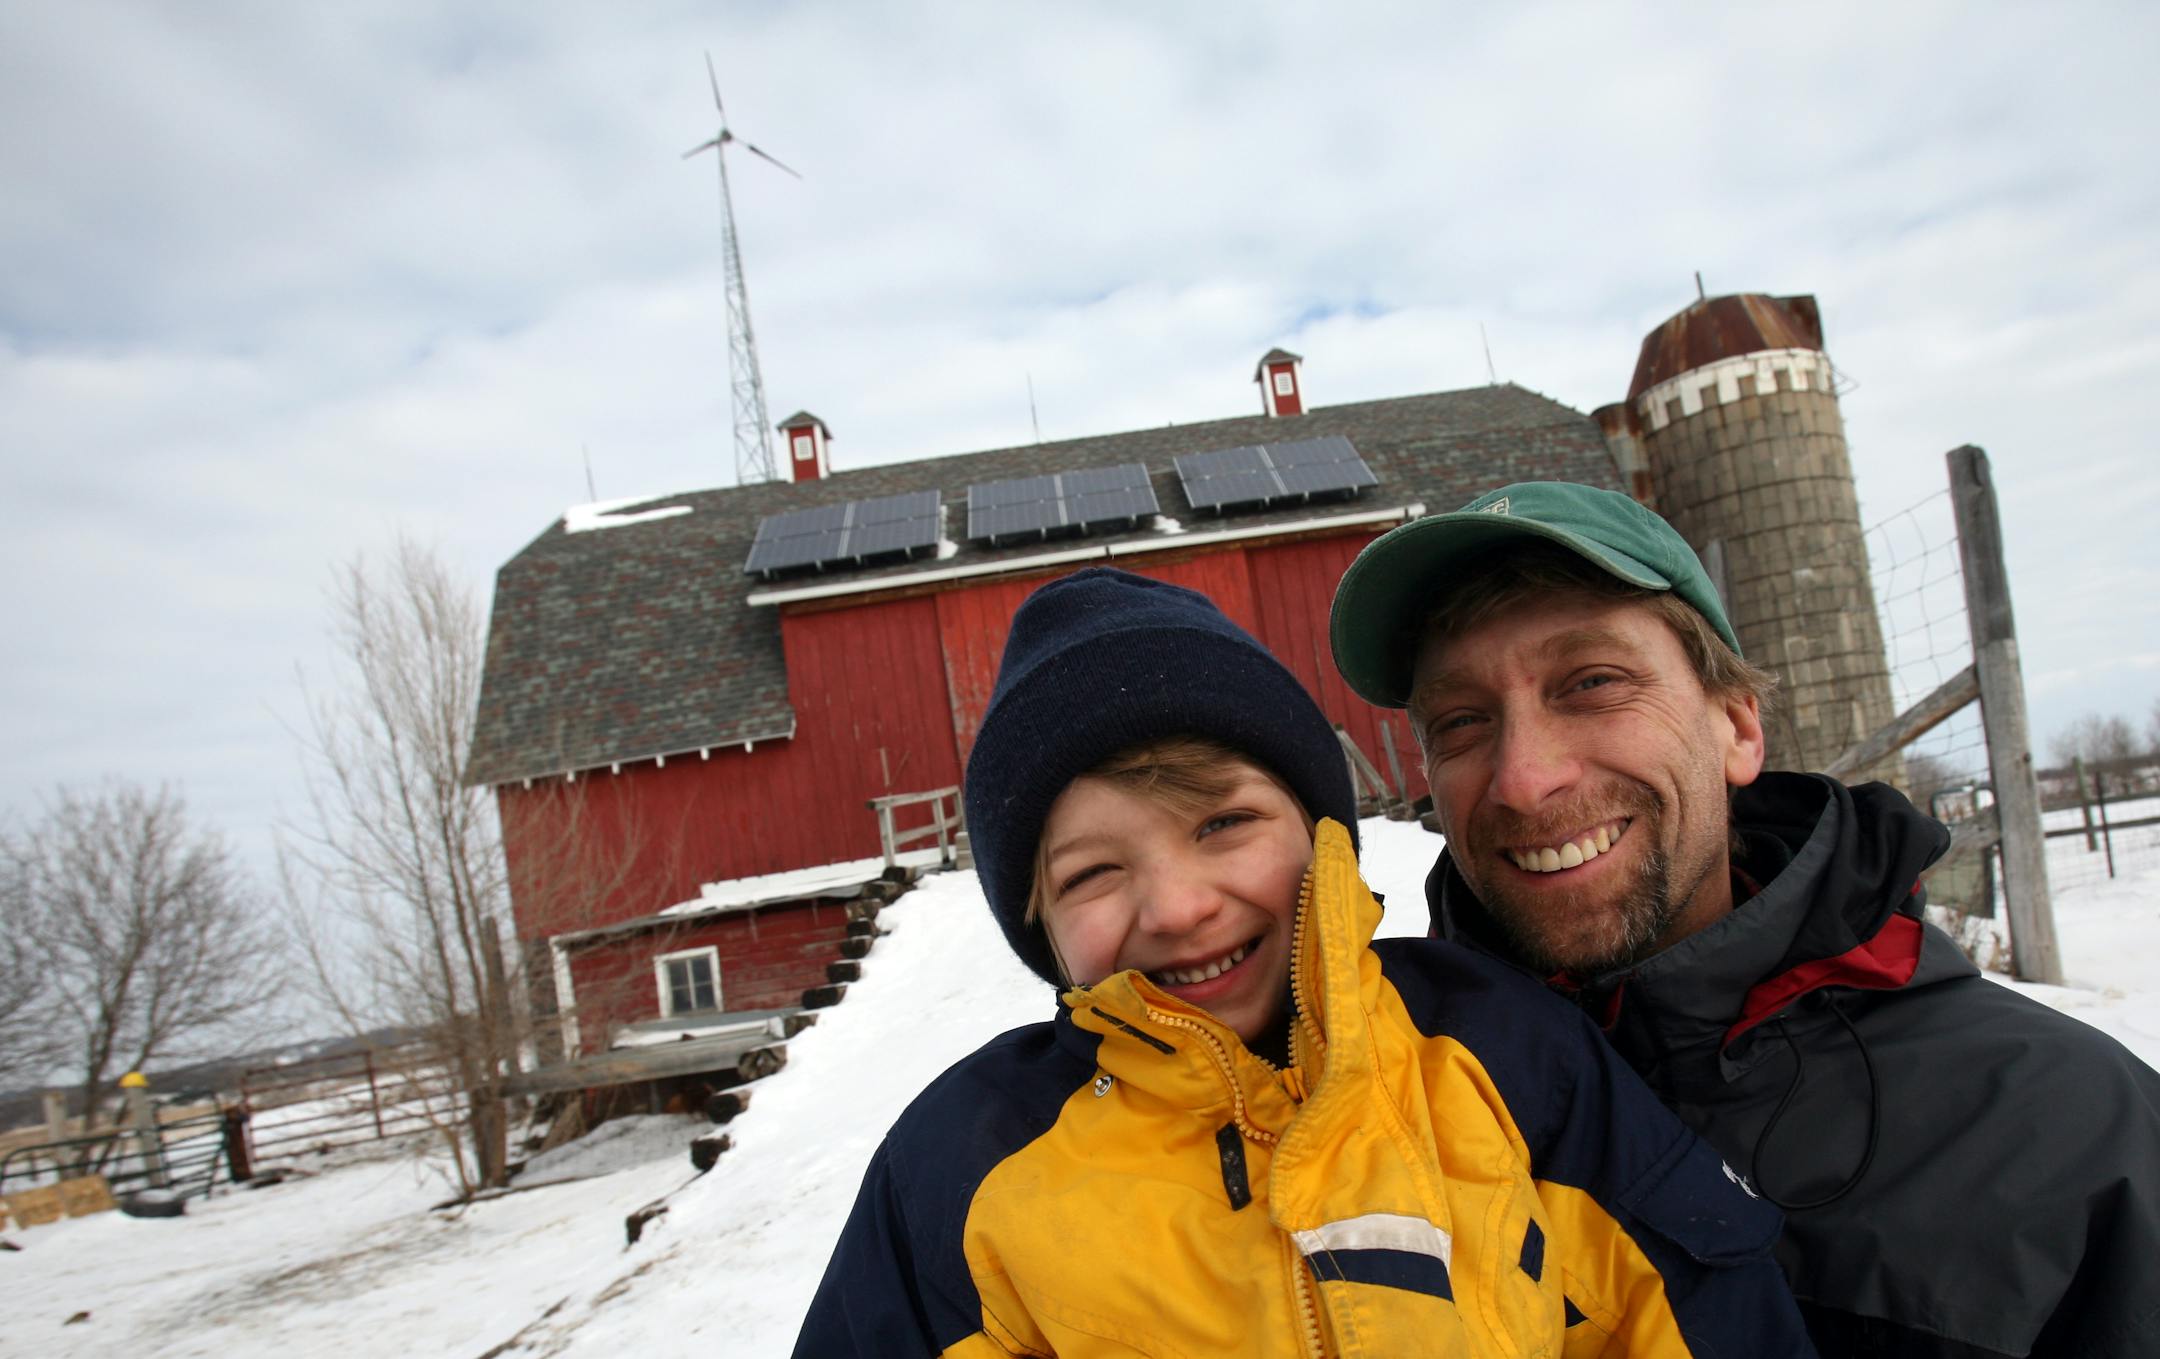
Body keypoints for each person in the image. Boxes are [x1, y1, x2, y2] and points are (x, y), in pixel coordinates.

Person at [795, 566, 1814, 1357]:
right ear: (1040, 925)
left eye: (1224, 824)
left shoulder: (1496, 1049)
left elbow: (1692, 1312)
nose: (1179, 906)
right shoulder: (967, 1165)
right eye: (1094, 872)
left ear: (1321, 831)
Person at [1328, 480, 2160, 1358]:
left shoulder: (2070, 1134)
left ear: (1737, 728)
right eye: (1462, 720)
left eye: (1593, 682)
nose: (1524, 780)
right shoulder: (1362, 1119)